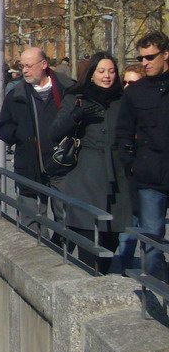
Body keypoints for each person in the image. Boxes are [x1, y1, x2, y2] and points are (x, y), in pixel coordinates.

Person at [49, 52, 131, 274]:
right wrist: (76, 115)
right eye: (102, 71)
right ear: (92, 74)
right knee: (89, 236)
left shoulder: (122, 100)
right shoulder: (76, 97)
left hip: (117, 177)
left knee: (111, 237)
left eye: (111, 71)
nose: (107, 76)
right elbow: (55, 132)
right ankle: (91, 280)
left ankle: (101, 273)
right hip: (86, 175)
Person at [0, 47, 75, 232]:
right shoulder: (16, 94)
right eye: (22, 66)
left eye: (29, 66)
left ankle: (60, 254)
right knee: (32, 222)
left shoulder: (67, 89)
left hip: (62, 165)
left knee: (67, 219)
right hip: (29, 165)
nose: (24, 70)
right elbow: (4, 126)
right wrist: (21, 136)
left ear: (44, 64)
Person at [115, 31, 169, 282]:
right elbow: (124, 131)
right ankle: (156, 292)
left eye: (150, 57)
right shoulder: (135, 93)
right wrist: (131, 163)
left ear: (165, 54)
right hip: (149, 175)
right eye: (141, 58)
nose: (145, 62)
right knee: (151, 237)